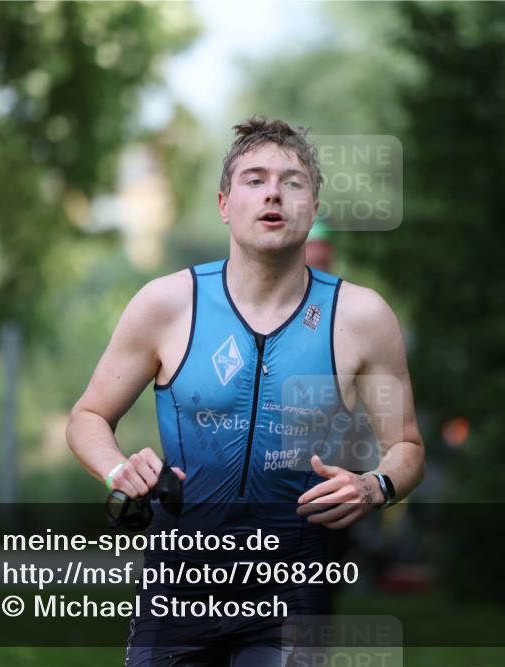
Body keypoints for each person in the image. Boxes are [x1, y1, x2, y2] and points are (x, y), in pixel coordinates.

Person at [66, 116, 425, 666]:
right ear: (224, 203)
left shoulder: (361, 316)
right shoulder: (167, 304)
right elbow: (88, 417)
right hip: (178, 585)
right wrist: (119, 471)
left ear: (313, 205)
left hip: (294, 587)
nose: (274, 192)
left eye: (293, 181)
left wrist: (374, 486)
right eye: (255, 179)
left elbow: (408, 448)